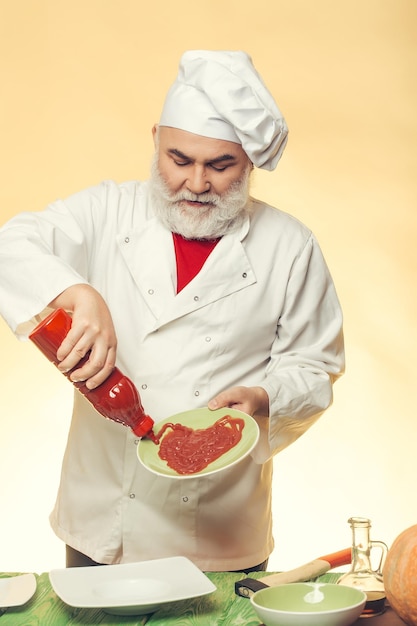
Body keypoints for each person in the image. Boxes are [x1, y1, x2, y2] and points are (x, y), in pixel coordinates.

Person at [0, 50, 344, 572]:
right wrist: (77, 292)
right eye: (179, 159)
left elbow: (315, 368)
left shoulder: (290, 246)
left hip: (219, 536)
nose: (197, 183)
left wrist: (265, 396)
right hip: (101, 528)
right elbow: (11, 245)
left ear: (248, 161)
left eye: (221, 165)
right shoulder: (105, 211)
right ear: (156, 138)